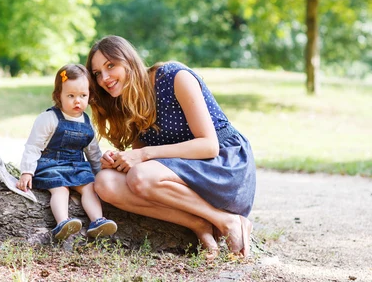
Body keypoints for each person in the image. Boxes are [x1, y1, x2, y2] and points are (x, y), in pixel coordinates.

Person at [86, 35, 256, 258]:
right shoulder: (129, 102)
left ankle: (228, 221)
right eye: (98, 73)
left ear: (129, 61)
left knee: (141, 176)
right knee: (105, 183)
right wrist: (116, 161)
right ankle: (200, 223)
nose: (105, 78)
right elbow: (140, 162)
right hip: (181, 177)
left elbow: (209, 146)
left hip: (224, 166)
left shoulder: (174, 76)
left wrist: (143, 154)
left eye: (111, 65)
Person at [16, 64, 118, 241]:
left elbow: (93, 153)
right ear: (58, 96)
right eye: (70, 96)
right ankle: (63, 222)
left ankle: (97, 221)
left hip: (77, 166)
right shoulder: (49, 118)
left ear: (90, 96)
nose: (77, 101)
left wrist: (99, 173)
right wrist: (27, 171)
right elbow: (33, 146)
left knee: (90, 188)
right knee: (61, 190)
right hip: (51, 165)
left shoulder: (87, 123)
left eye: (82, 96)